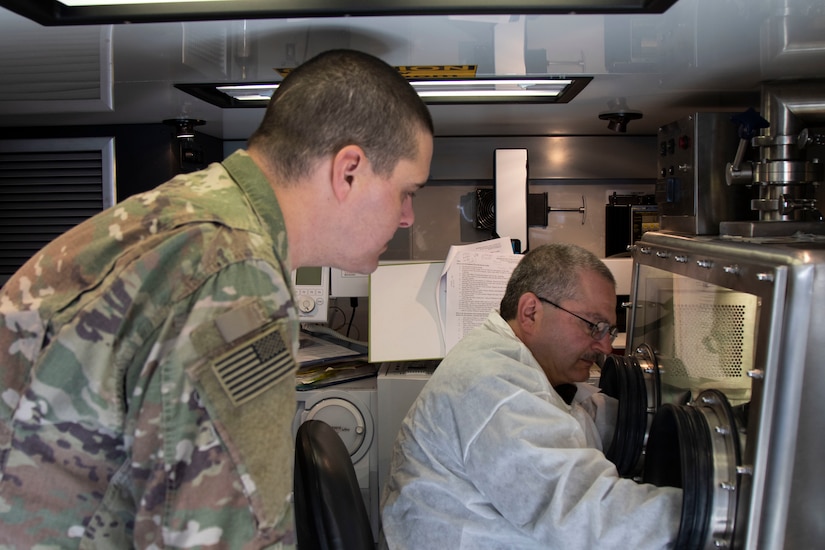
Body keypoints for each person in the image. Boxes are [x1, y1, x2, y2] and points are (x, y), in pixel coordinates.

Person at [0, 49, 433, 548]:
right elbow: (216, 535)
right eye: (408, 191)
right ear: (349, 171)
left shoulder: (186, 214)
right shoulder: (237, 278)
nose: (408, 218)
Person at [381, 243, 682, 549]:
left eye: (609, 332)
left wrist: (665, 427)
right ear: (530, 312)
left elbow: (573, 419)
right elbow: (588, 516)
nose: (605, 347)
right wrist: (713, 514)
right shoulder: (494, 387)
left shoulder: (519, 367)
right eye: (595, 327)